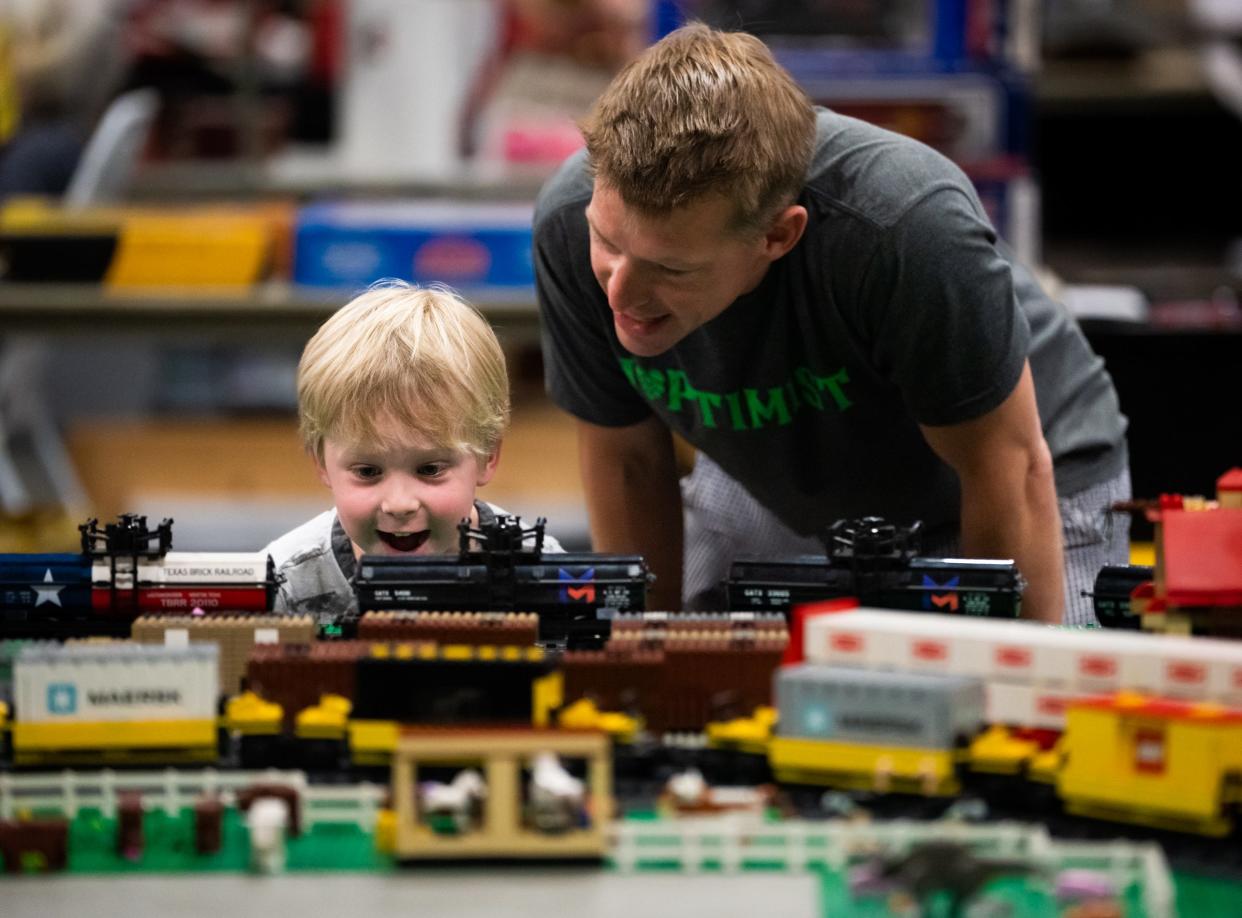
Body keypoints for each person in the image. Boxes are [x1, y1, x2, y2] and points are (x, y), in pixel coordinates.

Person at [533, 23, 1129, 625]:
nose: (620, 291)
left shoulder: (905, 229)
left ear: (777, 235)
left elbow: (1007, 465)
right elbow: (627, 461)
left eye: (670, 267)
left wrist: (1009, 679)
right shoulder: (564, 221)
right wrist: (643, 660)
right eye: (607, 242)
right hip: (778, 477)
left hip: (1013, 472)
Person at [265, 281, 563, 618]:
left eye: (430, 469)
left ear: (487, 455)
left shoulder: (543, 573)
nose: (399, 504)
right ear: (321, 462)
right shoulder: (283, 586)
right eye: (367, 472)